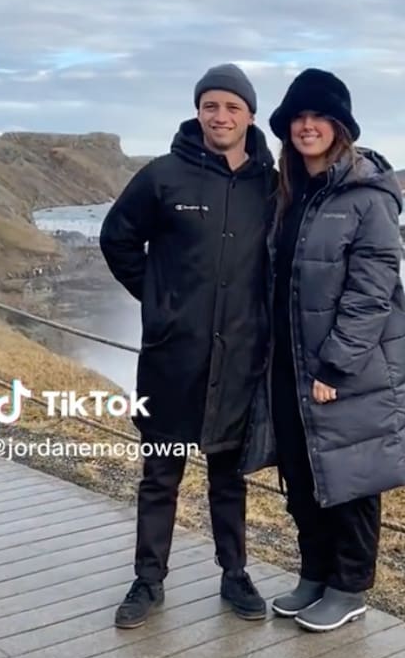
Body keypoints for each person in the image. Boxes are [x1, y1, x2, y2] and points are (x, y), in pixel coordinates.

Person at [240, 67, 405, 633]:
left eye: (319, 116)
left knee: (352, 479)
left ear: (340, 126)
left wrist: (337, 364)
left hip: (345, 369)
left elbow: (372, 291)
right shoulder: (289, 192)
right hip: (290, 363)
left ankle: (350, 586)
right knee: (304, 472)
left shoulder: (367, 197)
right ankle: (314, 574)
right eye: (298, 117)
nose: (307, 126)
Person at [100, 63, 277, 628]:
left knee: (228, 480)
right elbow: (117, 239)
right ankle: (148, 582)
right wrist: (161, 301)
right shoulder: (162, 177)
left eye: (232, 107)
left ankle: (235, 576)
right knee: (161, 477)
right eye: (210, 106)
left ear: (250, 115)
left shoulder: (270, 185)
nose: (220, 116)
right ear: (198, 111)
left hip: (241, 363)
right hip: (173, 363)